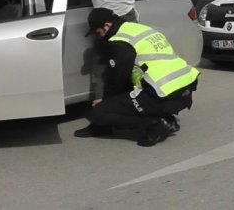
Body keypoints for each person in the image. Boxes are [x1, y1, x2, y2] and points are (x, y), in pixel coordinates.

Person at [74, 8, 200, 147]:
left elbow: (117, 81)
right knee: (130, 96)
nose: (99, 37)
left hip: (161, 93)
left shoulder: (118, 43)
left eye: (98, 33)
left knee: (100, 112)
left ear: (107, 26)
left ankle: (155, 125)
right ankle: (167, 119)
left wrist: (104, 103)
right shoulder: (137, 28)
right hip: (184, 88)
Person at [72, 0, 138, 103]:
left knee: (103, 67)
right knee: (131, 64)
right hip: (129, 14)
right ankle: (135, 103)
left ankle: (103, 110)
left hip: (110, 20)